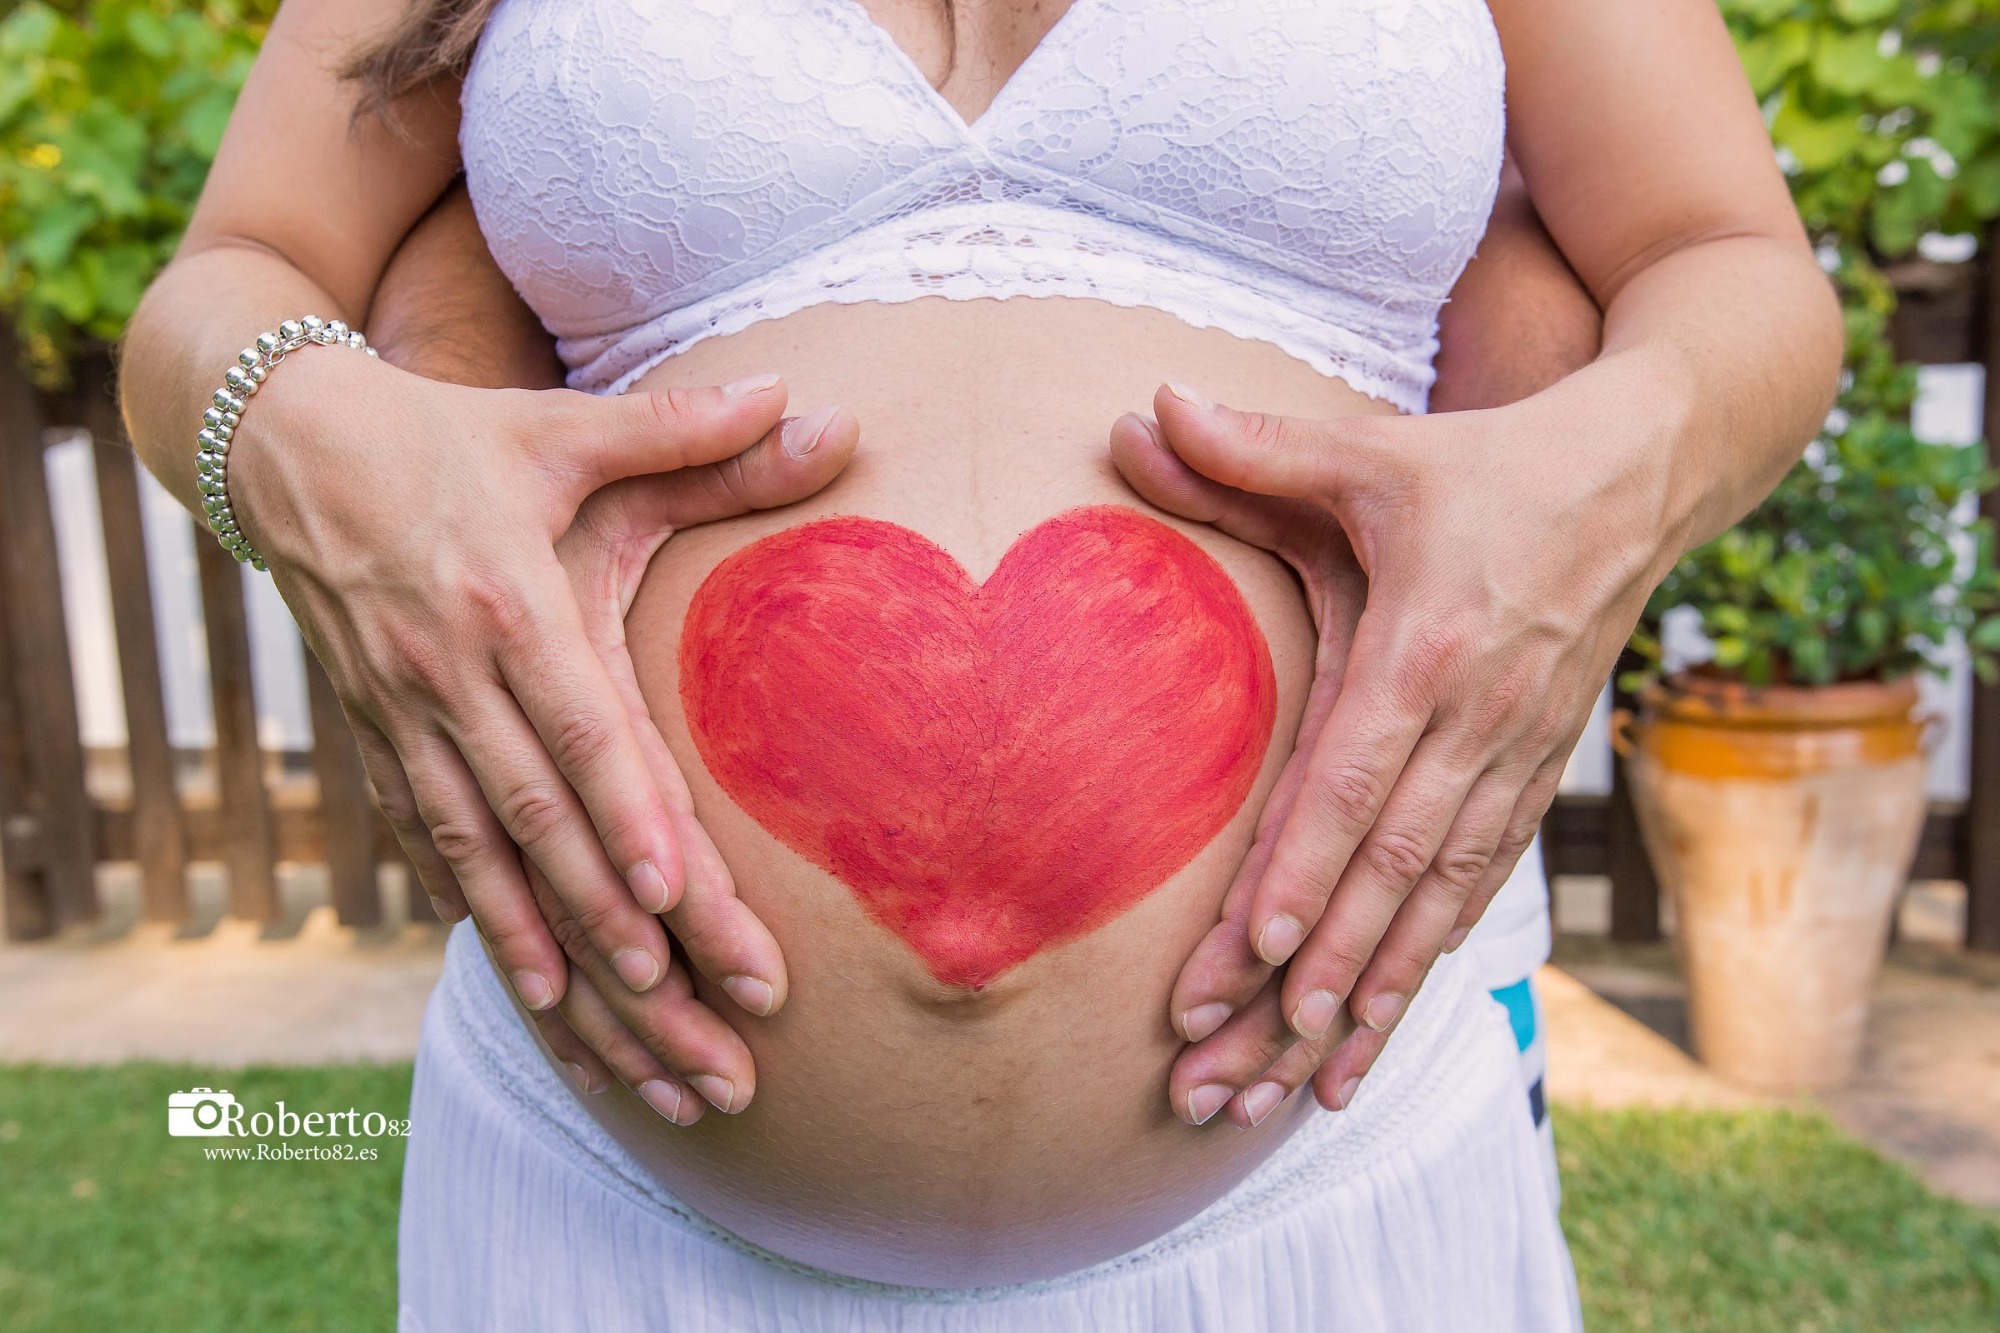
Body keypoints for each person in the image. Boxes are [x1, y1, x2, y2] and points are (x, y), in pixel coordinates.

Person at [118, 0, 1841, 1327]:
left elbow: (1729, 263)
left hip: (1329, 1164)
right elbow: (232, 277)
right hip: (602, 1200)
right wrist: (297, 428)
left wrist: (1602, 476)